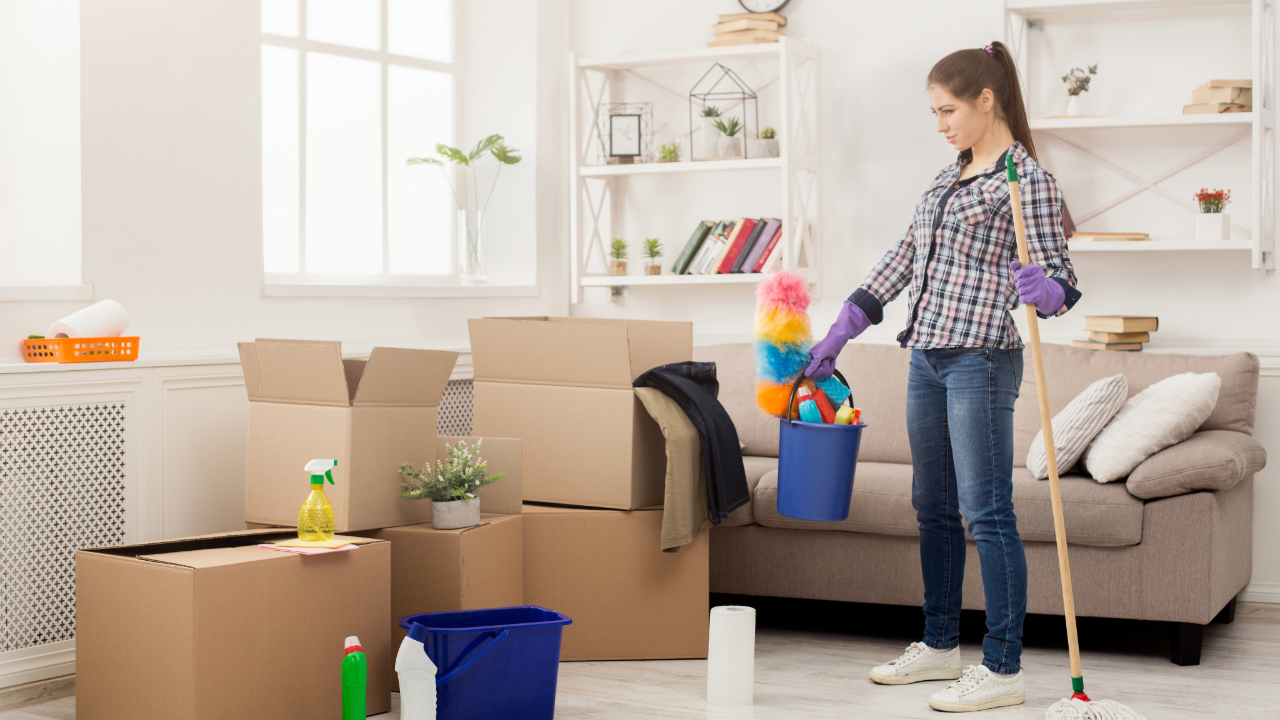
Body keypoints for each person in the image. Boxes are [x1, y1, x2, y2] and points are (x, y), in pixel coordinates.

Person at [806, 41, 1080, 713]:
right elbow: (903, 257)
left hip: (981, 359)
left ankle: (1004, 667)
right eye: (934, 112)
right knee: (931, 508)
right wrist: (843, 325)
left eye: (948, 109)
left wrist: (1046, 290)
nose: (941, 123)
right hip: (926, 355)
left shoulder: (1027, 181)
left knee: (985, 512)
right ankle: (938, 646)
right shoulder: (948, 175)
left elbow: (1064, 283)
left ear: (987, 101)